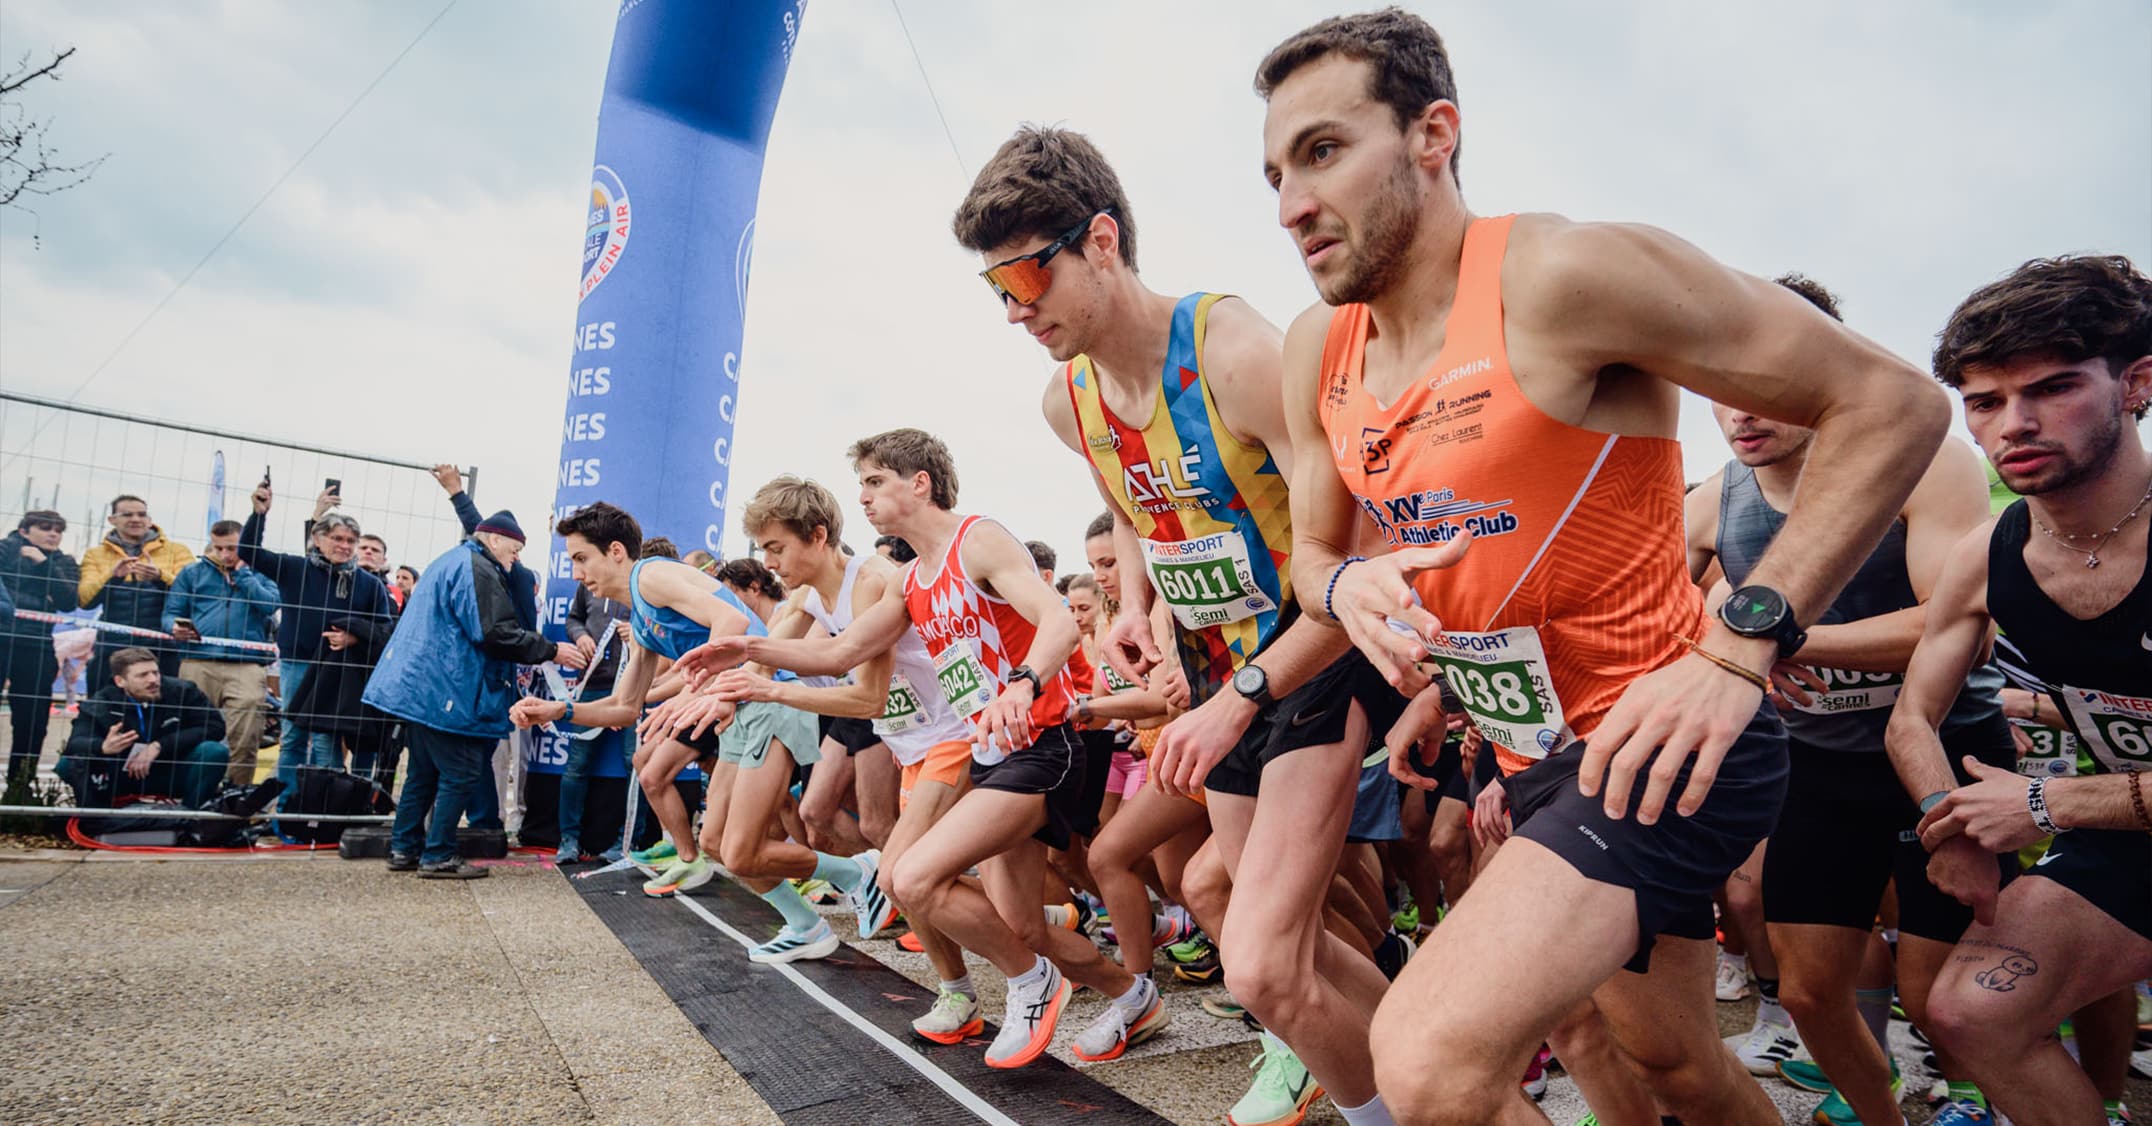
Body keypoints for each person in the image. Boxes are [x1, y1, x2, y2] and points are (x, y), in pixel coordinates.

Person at [1254, 11, 1952, 1123]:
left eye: (1325, 151)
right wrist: (1346, 589)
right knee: (1666, 1059)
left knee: (1425, 1058)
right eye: (1276, 171)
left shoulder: (1560, 275)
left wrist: (1739, 644)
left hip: (1661, 746)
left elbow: (1893, 403)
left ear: (1434, 134)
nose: (1291, 203)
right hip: (1530, 755)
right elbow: (1314, 554)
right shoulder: (1315, 349)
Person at [956, 122, 1395, 1119]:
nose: (1015, 312)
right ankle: (1431, 1068)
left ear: (1100, 242)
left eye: (1026, 279)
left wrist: (1248, 688)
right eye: (995, 292)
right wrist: (1137, 606)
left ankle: (1418, 1095)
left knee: (1263, 959)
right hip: (1211, 664)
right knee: (1242, 914)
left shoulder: (1239, 352)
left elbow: (1354, 549)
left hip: (1307, 645)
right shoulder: (1066, 403)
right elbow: (1132, 498)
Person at [677, 429, 1161, 1068]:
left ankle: (1031, 984)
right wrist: (748, 652)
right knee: (1024, 925)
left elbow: (1057, 619)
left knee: (911, 874)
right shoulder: (912, 580)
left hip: (1043, 744)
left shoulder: (979, 540)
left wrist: (1023, 684)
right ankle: (1134, 997)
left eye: (875, 481)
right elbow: (843, 652)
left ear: (920, 483)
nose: (864, 498)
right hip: (993, 754)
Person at [1688, 275, 2016, 1124]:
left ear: (1823, 370)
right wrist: (1707, 636)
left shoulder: (1927, 457)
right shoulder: (1710, 502)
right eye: (1722, 395)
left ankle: (1980, 1098)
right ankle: (1885, 1112)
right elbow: (1647, 617)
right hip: (1818, 769)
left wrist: (1769, 639)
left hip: (1948, 751)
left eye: (1766, 390)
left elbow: (1956, 626)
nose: (1742, 413)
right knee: (1805, 990)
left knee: (1937, 991)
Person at [1888, 254, 2152, 1126]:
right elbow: (1913, 718)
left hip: (2095, 803)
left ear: (2137, 383)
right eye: (1986, 402)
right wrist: (1953, 824)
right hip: (2128, 825)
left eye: (2054, 388)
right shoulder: (1989, 554)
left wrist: (2044, 803)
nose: (2016, 424)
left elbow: (2049, 804)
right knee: (1970, 1010)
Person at [512, 501, 899, 960]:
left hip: (765, 698)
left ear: (615, 551)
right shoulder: (640, 617)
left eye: (581, 558)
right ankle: (807, 924)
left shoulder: (650, 575)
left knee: (740, 850)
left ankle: (857, 873)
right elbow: (623, 708)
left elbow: (731, 621)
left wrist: (698, 693)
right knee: (715, 845)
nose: (577, 573)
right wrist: (559, 709)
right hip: (736, 709)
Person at [709, 476, 983, 1034]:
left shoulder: (871, 582)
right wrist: (709, 695)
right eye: (763, 549)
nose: (768, 562)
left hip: (955, 733)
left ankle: (1007, 975)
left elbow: (866, 695)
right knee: (916, 876)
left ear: (816, 536)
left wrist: (770, 689)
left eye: (776, 547)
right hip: (910, 742)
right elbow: (760, 658)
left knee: (903, 873)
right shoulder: (809, 595)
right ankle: (1019, 943)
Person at [364, 510, 582, 879]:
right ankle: (438, 854)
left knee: (422, 773)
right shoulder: (478, 568)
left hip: (423, 689)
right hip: (450, 689)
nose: (516, 560)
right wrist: (550, 649)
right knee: (460, 772)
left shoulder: (449, 561)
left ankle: (404, 847)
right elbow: (494, 631)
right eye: (514, 551)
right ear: (494, 540)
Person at [241, 486, 393, 790]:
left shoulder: (369, 585)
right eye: (336, 538)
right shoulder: (295, 569)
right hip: (298, 663)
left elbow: (385, 629)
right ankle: (287, 812)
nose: (344, 545)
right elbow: (249, 552)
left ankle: (326, 811)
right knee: (294, 737)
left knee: (327, 740)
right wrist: (259, 514)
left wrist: (355, 637)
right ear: (318, 539)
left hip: (340, 669)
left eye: (350, 540)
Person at [162, 520, 282, 787]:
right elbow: (171, 611)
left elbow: (270, 604)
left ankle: (235, 794)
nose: (225, 555)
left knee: (246, 733)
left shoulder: (262, 574)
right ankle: (186, 792)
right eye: (218, 548)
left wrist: (244, 576)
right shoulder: (192, 573)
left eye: (232, 548)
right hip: (197, 660)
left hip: (246, 663)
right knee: (188, 729)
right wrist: (172, 627)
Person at [60, 646, 230, 809]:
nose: (153, 680)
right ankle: (98, 820)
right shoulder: (103, 701)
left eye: (155, 673)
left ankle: (191, 821)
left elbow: (215, 726)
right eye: (143, 675)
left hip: (170, 770)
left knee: (214, 751)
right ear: (120, 681)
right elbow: (74, 744)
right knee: (68, 764)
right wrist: (103, 747)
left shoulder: (183, 691)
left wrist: (160, 745)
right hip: (121, 774)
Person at [0, 510, 79, 786]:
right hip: (2, 636)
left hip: (36, 643)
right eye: (45, 528)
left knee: (32, 721)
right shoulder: (5, 549)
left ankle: (20, 787)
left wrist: (44, 564)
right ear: (24, 531)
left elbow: (69, 600)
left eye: (58, 530)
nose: (53, 534)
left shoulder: (63, 562)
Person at [78, 494, 195, 680]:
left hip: (163, 646)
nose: (135, 519)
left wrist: (160, 577)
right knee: (106, 704)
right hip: (113, 646)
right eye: (127, 515)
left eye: (141, 514)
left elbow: (194, 595)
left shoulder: (177, 550)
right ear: (112, 520)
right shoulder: (95, 554)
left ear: (149, 520)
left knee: (165, 704)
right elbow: (85, 600)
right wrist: (113, 577)